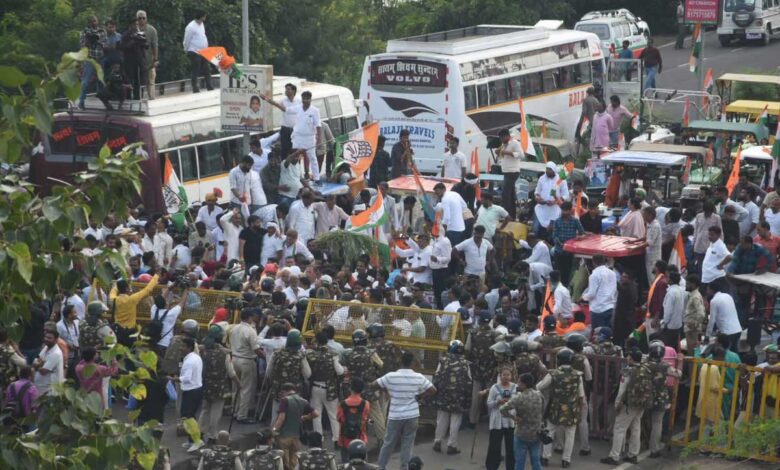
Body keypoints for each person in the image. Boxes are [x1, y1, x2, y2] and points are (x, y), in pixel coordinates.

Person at [373, 352, 436, 470]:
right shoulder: (418, 377)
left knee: (388, 443)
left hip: (395, 416)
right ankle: (404, 467)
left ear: (401, 362)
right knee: (407, 443)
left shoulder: (391, 376)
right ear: (412, 363)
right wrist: (419, 396)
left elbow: (373, 385)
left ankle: (381, 467)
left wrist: (387, 390)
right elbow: (433, 390)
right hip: (412, 415)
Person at [600, 348, 653, 465]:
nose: (627, 358)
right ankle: (633, 454)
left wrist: (617, 404)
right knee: (636, 427)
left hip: (628, 405)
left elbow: (622, 390)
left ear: (631, 358)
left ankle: (614, 456)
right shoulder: (646, 370)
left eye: (628, 356)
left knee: (619, 428)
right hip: (641, 403)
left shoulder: (628, 371)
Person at [536, 348, 584, 468]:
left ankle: (545, 457)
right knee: (570, 434)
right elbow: (581, 395)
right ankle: (566, 460)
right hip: (572, 408)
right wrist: (580, 409)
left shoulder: (553, 373)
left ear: (558, 360)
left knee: (550, 431)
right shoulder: (578, 375)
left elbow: (539, 387)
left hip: (556, 407)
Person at [342, 329, 385, 444]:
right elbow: (380, 365)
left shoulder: (348, 353)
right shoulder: (371, 353)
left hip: (354, 389)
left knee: (353, 414)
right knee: (377, 414)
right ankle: (382, 439)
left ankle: (354, 438)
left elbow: (344, 367)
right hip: (369, 388)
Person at [306, 331, 345, 449]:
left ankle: (318, 440)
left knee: (316, 415)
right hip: (330, 389)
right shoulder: (333, 354)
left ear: (316, 341)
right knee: (333, 415)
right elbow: (340, 372)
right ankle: (337, 440)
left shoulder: (311, 355)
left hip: (315, 388)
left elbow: (308, 374)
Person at [431, 340, 471, 455]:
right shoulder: (466, 363)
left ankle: (437, 442)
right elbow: (469, 382)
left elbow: (436, 378)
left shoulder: (442, 361)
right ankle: (452, 445)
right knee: (455, 420)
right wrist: (468, 400)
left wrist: (435, 394)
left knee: (441, 419)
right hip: (459, 396)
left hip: (443, 394)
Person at [198, 326, 237, 444]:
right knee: (216, 411)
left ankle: (199, 433)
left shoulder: (202, 351)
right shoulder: (224, 353)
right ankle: (212, 435)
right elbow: (231, 373)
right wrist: (239, 383)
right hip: (219, 386)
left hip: (205, 384)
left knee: (205, 410)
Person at [500, 372, 544, 470]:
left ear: (524, 384)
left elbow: (502, 409)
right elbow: (543, 410)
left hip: (521, 433)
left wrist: (513, 417)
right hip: (536, 432)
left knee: (519, 462)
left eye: (519, 382)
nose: (517, 384)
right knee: (536, 461)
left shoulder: (519, 397)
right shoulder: (539, 395)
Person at [272, 383, 319, 470]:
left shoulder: (285, 400)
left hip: (284, 437)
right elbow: (316, 414)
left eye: (282, 393)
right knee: (294, 464)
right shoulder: (303, 401)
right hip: (297, 437)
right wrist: (304, 417)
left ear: (284, 391)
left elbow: (281, 418)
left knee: (284, 464)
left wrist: (273, 431)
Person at [230, 309, 262, 424]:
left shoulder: (234, 328)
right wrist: (266, 357)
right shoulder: (250, 330)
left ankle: (235, 411)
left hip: (234, 359)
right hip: (247, 360)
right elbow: (256, 349)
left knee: (236, 388)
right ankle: (242, 415)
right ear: (249, 318)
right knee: (246, 389)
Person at [109, 274, 160, 346]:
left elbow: (113, 292)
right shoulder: (132, 299)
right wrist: (156, 276)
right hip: (130, 332)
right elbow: (147, 289)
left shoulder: (114, 299)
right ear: (127, 288)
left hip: (118, 331)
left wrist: (116, 286)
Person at [176, 337, 204, 452]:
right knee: (189, 416)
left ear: (188, 347)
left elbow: (186, 378)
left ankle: (197, 441)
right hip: (196, 389)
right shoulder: (196, 357)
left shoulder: (189, 361)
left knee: (187, 417)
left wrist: (175, 379)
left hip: (191, 390)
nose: (180, 348)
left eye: (182, 346)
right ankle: (192, 440)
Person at [290, 91, 323, 181]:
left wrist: (319, 139)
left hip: (309, 138)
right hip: (298, 137)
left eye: (307, 99)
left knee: (312, 158)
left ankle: (317, 179)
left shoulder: (315, 110)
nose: (305, 101)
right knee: (295, 157)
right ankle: (297, 177)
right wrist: (270, 101)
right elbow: (285, 109)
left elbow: (318, 126)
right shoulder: (298, 108)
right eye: (303, 99)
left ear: (310, 99)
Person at [551, 202, 585, 286]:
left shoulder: (575, 221)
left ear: (570, 210)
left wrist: (579, 238)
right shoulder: (557, 221)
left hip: (570, 252)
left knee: (567, 273)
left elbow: (583, 233)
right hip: (559, 251)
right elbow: (554, 236)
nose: (564, 212)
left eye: (566, 210)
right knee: (558, 272)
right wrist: (561, 244)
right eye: (563, 210)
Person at [337, 379, 371, 463]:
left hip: (345, 439)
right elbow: (366, 418)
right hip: (360, 438)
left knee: (345, 464)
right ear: (362, 390)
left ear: (350, 388)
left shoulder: (342, 404)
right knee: (363, 465)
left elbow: (339, 419)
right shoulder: (366, 404)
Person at [77, 15, 108, 109]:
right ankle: (81, 102)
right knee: (85, 81)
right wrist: (88, 41)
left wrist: (99, 42)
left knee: (101, 81)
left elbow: (106, 44)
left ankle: (103, 101)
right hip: (89, 58)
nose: (94, 23)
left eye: (95, 21)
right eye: (92, 21)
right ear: (89, 23)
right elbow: (82, 46)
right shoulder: (85, 32)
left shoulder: (102, 31)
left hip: (100, 58)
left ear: (97, 21)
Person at [580, 255, 617, 329]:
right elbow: (615, 290)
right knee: (609, 334)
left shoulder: (594, 275)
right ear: (604, 261)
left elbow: (591, 294)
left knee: (598, 336)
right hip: (610, 307)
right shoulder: (612, 273)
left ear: (593, 262)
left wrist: (583, 297)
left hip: (598, 310)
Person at [706, 279, 743, 351]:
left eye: (707, 289)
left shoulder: (714, 301)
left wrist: (707, 335)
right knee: (734, 351)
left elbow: (712, 320)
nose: (707, 291)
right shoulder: (728, 296)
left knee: (726, 353)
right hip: (737, 329)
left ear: (711, 290)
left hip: (727, 332)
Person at [533, 162, 569, 237]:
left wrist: (555, 202)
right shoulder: (542, 178)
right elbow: (537, 191)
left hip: (554, 210)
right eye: (547, 169)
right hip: (542, 209)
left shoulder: (561, 180)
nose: (547, 171)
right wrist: (538, 197)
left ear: (554, 170)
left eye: (550, 169)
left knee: (552, 232)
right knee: (536, 229)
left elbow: (565, 195)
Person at [183, 10, 213, 93]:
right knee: (196, 69)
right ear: (201, 16)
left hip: (203, 51)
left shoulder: (202, 24)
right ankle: (195, 87)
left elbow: (202, 35)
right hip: (194, 51)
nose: (205, 18)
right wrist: (186, 49)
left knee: (207, 68)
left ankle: (209, 86)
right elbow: (187, 39)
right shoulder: (191, 27)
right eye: (204, 16)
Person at [497, 128, 524, 219]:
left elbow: (521, 155)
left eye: (502, 137)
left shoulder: (515, 143)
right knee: (511, 195)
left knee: (505, 195)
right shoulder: (503, 144)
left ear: (507, 136)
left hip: (512, 172)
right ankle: (512, 216)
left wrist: (508, 152)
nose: (501, 139)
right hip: (506, 171)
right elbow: (501, 155)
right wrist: (498, 152)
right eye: (500, 138)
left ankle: (507, 216)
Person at [135, 11, 158, 99]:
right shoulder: (134, 30)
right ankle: (138, 98)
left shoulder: (152, 30)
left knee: (151, 80)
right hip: (137, 60)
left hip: (149, 60)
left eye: (143, 18)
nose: (141, 20)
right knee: (138, 80)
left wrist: (155, 59)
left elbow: (155, 45)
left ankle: (152, 97)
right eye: (139, 18)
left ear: (146, 19)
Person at [661, 270, 685, 348]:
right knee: (675, 345)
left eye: (667, 278)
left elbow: (668, 311)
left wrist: (665, 323)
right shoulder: (681, 290)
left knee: (669, 346)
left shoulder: (671, 293)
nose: (666, 279)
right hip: (678, 323)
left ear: (671, 280)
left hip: (670, 325)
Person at [684, 274, 706, 353]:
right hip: (692, 330)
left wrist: (694, 324)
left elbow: (701, 314)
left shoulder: (695, 297)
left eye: (687, 283)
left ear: (693, 284)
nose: (686, 285)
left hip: (693, 331)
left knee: (692, 353)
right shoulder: (693, 295)